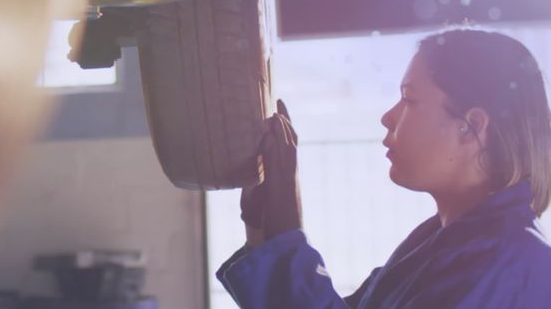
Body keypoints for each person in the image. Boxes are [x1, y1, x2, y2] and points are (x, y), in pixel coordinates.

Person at [217, 29, 551, 308]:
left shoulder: (508, 268)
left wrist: (285, 231)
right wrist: (262, 229)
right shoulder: (438, 243)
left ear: (471, 125)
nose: (388, 117)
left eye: (409, 99)